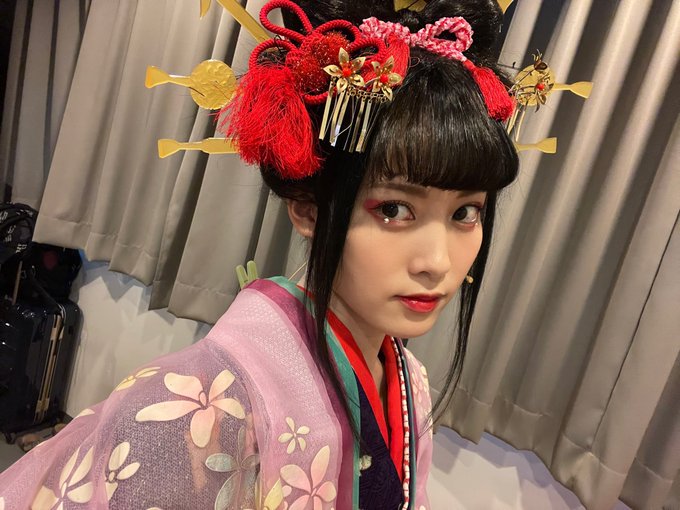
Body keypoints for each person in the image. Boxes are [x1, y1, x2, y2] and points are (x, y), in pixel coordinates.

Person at [0, 0, 518, 508]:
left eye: (465, 213)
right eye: (394, 210)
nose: (437, 261)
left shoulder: (410, 382)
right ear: (308, 209)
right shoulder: (193, 408)